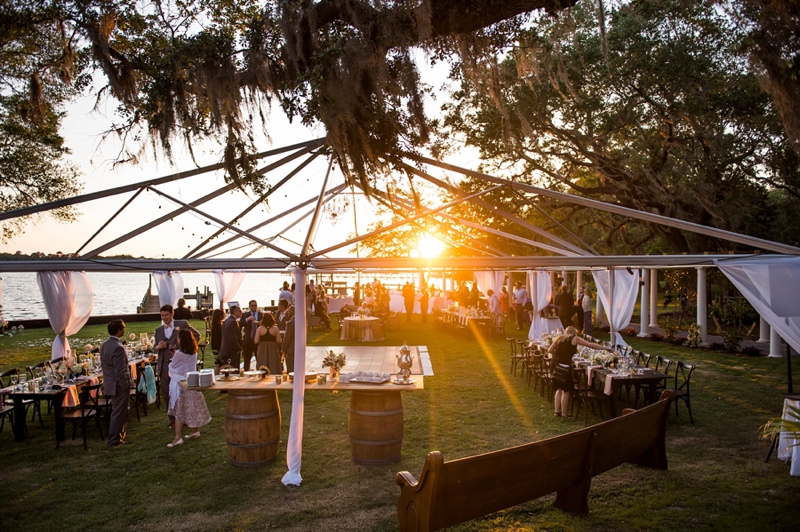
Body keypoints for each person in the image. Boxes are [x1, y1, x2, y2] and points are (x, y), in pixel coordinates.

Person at [548, 326, 612, 418]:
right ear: (574, 333)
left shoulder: (559, 338)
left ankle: (556, 412)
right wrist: (606, 348)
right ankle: (564, 414)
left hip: (557, 367)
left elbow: (549, 350)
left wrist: (559, 354)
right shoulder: (575, 338)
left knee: (559, 389)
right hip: (565, 367)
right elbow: (591, 345)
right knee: (566, 391)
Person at [155, 305, 200, 429]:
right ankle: (172, 420)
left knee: (182, 391)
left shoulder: (182, 323)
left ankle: (184, 418)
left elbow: (196, 336)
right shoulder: (158, 330)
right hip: (165, 365)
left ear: (172, 314)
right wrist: (158, 346)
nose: (164, 318)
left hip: (180, 366)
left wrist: (184, 349)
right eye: (162, 316)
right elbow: (154, 346)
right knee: (167, 392)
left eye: (166, 315)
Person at [167, 329, 211, 448]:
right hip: (191, 381)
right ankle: (194, 430)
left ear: (181, 339)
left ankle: (177, 438)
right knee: (191, 407)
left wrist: (172, 360)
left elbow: (173, 366)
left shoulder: (179, 354)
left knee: (179, 411)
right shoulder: (194, 351)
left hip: (181, 384)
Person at [101, 319, 131, 447]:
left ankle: (119, 437)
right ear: (119, 330)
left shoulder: (105, 345)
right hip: (118, 385)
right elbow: (120, 371)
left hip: (110, 383)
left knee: (118, 411)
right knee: (120, 412)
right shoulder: (118, 348)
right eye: (123, 328)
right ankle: (115, 439)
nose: (124, 330)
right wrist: (126, 385)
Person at [218, 304, 243, 369]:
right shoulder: (233, 322)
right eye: (239, 311)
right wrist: (237, 348)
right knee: (233, 369)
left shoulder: (226, 321)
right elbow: (233, 337)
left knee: (226, 369)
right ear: (235, 312)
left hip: (225, 349)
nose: (241, 312)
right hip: (231, 350)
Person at [240, 300, 261, 371]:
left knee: (259, 359)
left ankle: (260, 372)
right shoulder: (245, 315)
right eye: (252, 306)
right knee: (247, 359)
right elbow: (240, 324)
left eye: (255, 305)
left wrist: (258, 323)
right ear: (249, 307)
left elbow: (265, 324)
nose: (254, 307)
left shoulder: (261, 314)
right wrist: (247, 319)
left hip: (258, 340)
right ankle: (246, 372)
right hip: (248, 340)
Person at [282, 307, 296, 372]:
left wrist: (283, 349)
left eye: (289, 311)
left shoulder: (290, 323)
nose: (288, 312)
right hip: (299, 349)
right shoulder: (301, 321)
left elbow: (287, 338)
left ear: (293, 312)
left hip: (291, 350)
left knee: (291, 370)